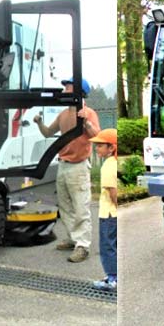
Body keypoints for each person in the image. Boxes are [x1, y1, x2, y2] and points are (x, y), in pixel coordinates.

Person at [33, 77, 100, 263]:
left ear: (79, 91)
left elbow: (98, 137)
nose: (64, 89)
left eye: (67, 86)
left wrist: (86, 123)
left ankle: (83, 245)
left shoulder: (88, 113)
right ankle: (73, 238)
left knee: (81, 207)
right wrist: (39, 122)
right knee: (65, 206)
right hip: (63, 164)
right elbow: (48, 132)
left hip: (79, 166)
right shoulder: (63, 115)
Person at [89, 129, 118, 291]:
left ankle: (113, 279)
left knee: (107, 246)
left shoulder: (107, 166)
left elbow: (112, 191)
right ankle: (114, 276)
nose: (96, 148)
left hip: (108, 213)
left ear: (111, 148)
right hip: (113, 213)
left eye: (100, 145)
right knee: (113, 245)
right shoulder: (114, 163)